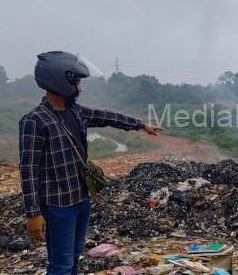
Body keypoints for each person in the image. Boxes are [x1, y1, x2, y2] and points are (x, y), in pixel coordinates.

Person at [18, 51, 162, 274]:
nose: (80, 87)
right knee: (61, 265)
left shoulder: (75, 112)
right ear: (60, 81)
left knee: (74, 258)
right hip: (58, 208)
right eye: (76, 81)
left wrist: (140, 125)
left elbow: (107, 117)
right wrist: (33, 214)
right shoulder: (34, 121)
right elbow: (28, 171)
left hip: (81, 201)